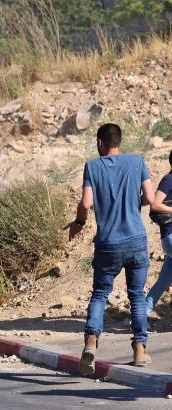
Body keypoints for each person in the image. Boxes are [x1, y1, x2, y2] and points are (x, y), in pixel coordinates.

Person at [64, 123, 154, 373]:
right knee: (136, 295)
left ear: (100, 143)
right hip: (136, 240)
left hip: (107, 244)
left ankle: (91, 341)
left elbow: (85, 203)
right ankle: (139, 348)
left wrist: (79, 223)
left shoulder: (92, 167)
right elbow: (150, 199)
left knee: (100, 294)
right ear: (119, 141)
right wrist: (131, 203)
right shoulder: (137, 161)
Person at [146, 150, 172, 316]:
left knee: (163, 283)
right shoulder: (169, 179)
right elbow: (155, 205)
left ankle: (140, 316)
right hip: (171, 236)